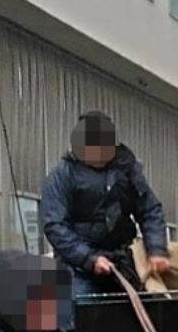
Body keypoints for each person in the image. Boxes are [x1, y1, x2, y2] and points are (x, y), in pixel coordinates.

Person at [41, 110, 171, 299]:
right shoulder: (62, 174)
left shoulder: (128, 169)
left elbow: (150, 210)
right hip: (77, 265)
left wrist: (157, 249)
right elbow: (55, 225)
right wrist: (88, 259)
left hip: (123, 258)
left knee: (151, 305)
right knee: (82, 308)